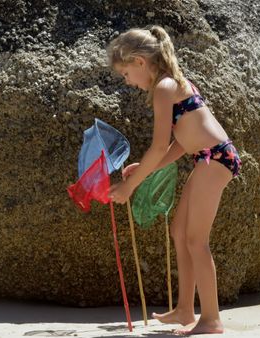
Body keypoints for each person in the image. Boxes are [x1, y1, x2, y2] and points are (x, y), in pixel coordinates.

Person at [106, 25, 241, 335]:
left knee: (196, 240)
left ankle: (211, 319)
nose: (128, 82)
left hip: (216, 159)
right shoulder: (173, 85)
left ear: (140, 62)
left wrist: (131, 185)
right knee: (179, 231)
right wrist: (147, 169)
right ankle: (183, 310)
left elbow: (157, 146)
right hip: (207, 157)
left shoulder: (165, 87)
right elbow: (180, 142)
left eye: (126, 74)